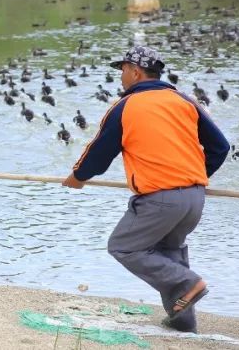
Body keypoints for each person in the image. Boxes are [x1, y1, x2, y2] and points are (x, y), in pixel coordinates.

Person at [61, 45, 230, 333]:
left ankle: (190, 284)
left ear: (135, 72)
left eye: (123, 70)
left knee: (124, 246)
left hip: (159, 199)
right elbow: (221, 147)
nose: (121, 76)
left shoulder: (126, 106)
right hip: (194, 198)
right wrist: (195, 177)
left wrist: (78, 177)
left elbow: (100, 152)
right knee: (169, 253)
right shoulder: (184, 101)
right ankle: (183, 324)